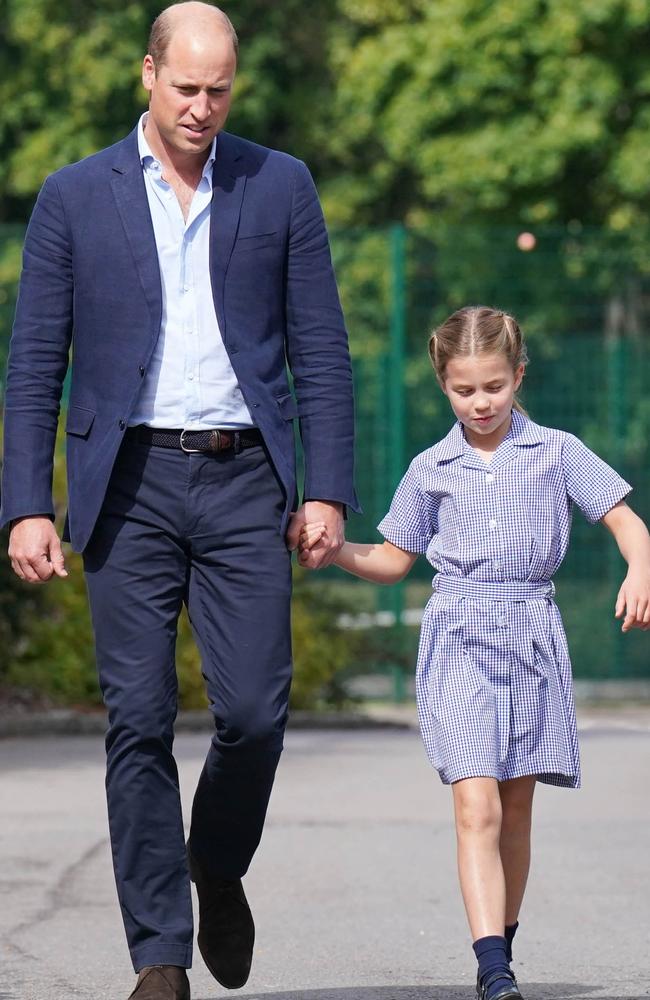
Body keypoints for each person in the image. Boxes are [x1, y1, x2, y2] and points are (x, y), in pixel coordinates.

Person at [1, 4, 358, 998]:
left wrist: (325, 486)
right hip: (128, 483)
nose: (202, 108)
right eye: (185, 87)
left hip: (246, 475)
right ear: (147, 75)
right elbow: (35, 364)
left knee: (251, 711)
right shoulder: (75, 196)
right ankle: (158, 954)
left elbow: (320, 352)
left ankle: (215, 861)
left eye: (219, 90)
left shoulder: (278, 184)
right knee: (139, 718)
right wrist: (27, 503)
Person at [299, 305, 650, 1000]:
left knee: (515, 811)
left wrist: (638, 568)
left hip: (530, 636)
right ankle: (492, 968)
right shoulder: (432, 466)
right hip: (457, 635)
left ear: (518, 376)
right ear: (443, 385)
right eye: (464, 390)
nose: (480, 402)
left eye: (494, 386)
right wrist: (336, 550)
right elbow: (396, 559)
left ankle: (502, 945)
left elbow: (623, 518)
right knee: (476, 807)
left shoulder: (557, 451)